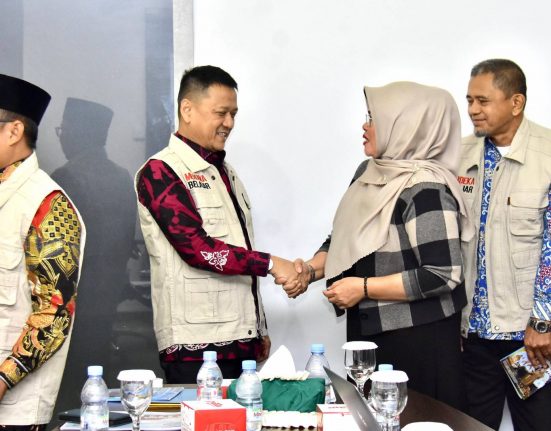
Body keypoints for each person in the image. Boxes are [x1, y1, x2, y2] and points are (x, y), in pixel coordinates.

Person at [292, 81, 473, 410]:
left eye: (374, 118)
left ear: (406, 125)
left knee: (416, 421)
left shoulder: (426, 187)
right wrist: (309, 270)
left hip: (418, 339)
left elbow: (443, 273)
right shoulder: (369, 171)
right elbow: (346, 239)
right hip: (368, 332)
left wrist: (363, 288)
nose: (365, 126)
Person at [135, 65, 300, 383]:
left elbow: (239, 248)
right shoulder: (160, 171)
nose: (229, 123)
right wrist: (270, 264)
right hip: (194, 349)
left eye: (233, 114)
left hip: (240, 342)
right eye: (221, 113)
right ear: (187, 110)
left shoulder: (225, 171)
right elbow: (198, 249)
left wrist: (258, 329)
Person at [459, 59, 551, 431]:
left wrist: (542, 323)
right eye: (469, 100)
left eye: (483, 100)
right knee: (472, 426)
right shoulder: (458, 154)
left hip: (530, 341)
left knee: (537, 425)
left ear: (516, 103)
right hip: (473, 337)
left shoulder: (547, 156)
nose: (473, 110)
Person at [0, 74, 85, 429]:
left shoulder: (47, 205)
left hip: (11, 410)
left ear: (14, 131)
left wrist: (2, 380)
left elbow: (54, 315)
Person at [51, 98, 136, 413]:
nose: (61, 137)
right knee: (97, 375)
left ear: (79, 133)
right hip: (108, 295)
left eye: (64, 130)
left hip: (73, 300)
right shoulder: (122, 176)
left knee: (72, 385)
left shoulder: (64, 177)